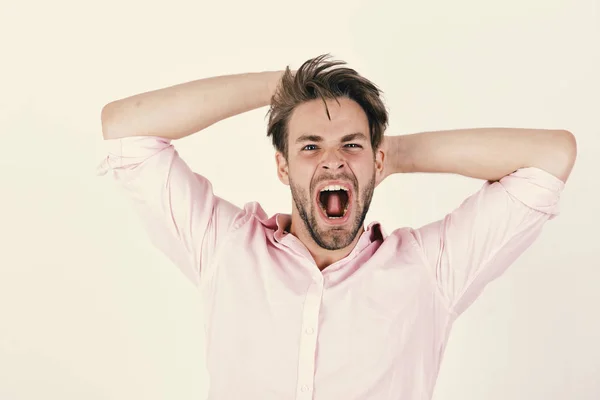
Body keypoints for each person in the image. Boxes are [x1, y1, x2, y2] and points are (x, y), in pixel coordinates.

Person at [96, 54, 577, 400]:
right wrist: (285, 85)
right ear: (282, 168)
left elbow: (551, 158)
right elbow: (125, 130)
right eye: (310, 147)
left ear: (377, 160)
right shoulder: (225, 247)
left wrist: (396, 156)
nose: (332, 161)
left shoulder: (430, 271)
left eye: (351, 145)